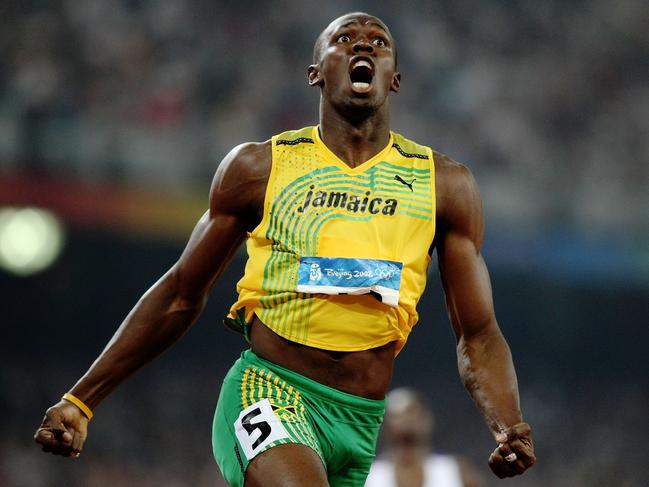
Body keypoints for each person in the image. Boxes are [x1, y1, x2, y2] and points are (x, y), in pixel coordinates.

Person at [34, 12, 535, 487]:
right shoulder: (259, 168)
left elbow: (478, 333)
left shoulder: (442, 184)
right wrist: (82, 400)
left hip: (359, 420)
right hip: (271, 390)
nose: (363, 43)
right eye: (344, 39)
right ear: (315, 73)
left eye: (379, 42)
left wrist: (507, 424)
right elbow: (181, 292)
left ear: (394, 79)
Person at [365, 388, 485, 487]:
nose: (406, 420)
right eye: (397, 416)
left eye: (411, 412)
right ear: (385, 427)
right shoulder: (369, 479)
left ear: (426, 420)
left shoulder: (456, 472)